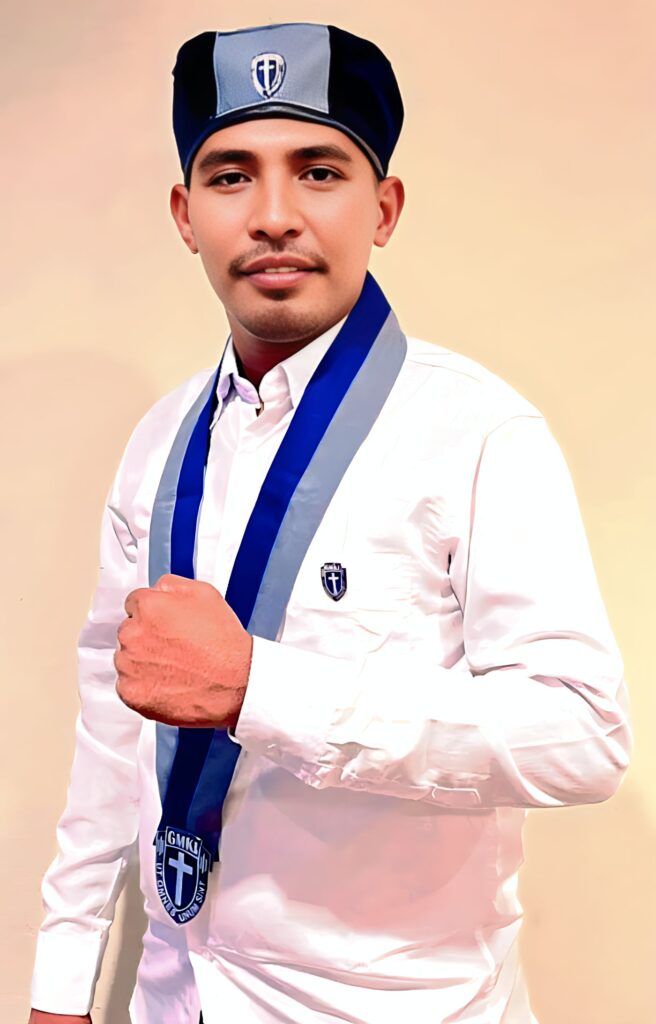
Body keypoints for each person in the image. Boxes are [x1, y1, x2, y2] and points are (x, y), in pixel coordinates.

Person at [28, 20, 633, 1024]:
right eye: (230, 177)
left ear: (383, 207)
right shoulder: (159, 442)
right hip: (174, 997)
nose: (273, 216)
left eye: (318, 172)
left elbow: (581, 735)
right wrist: (64, 973)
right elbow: (110, 720)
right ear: (185, 214)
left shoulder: (478, 433)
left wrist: (258, 689)